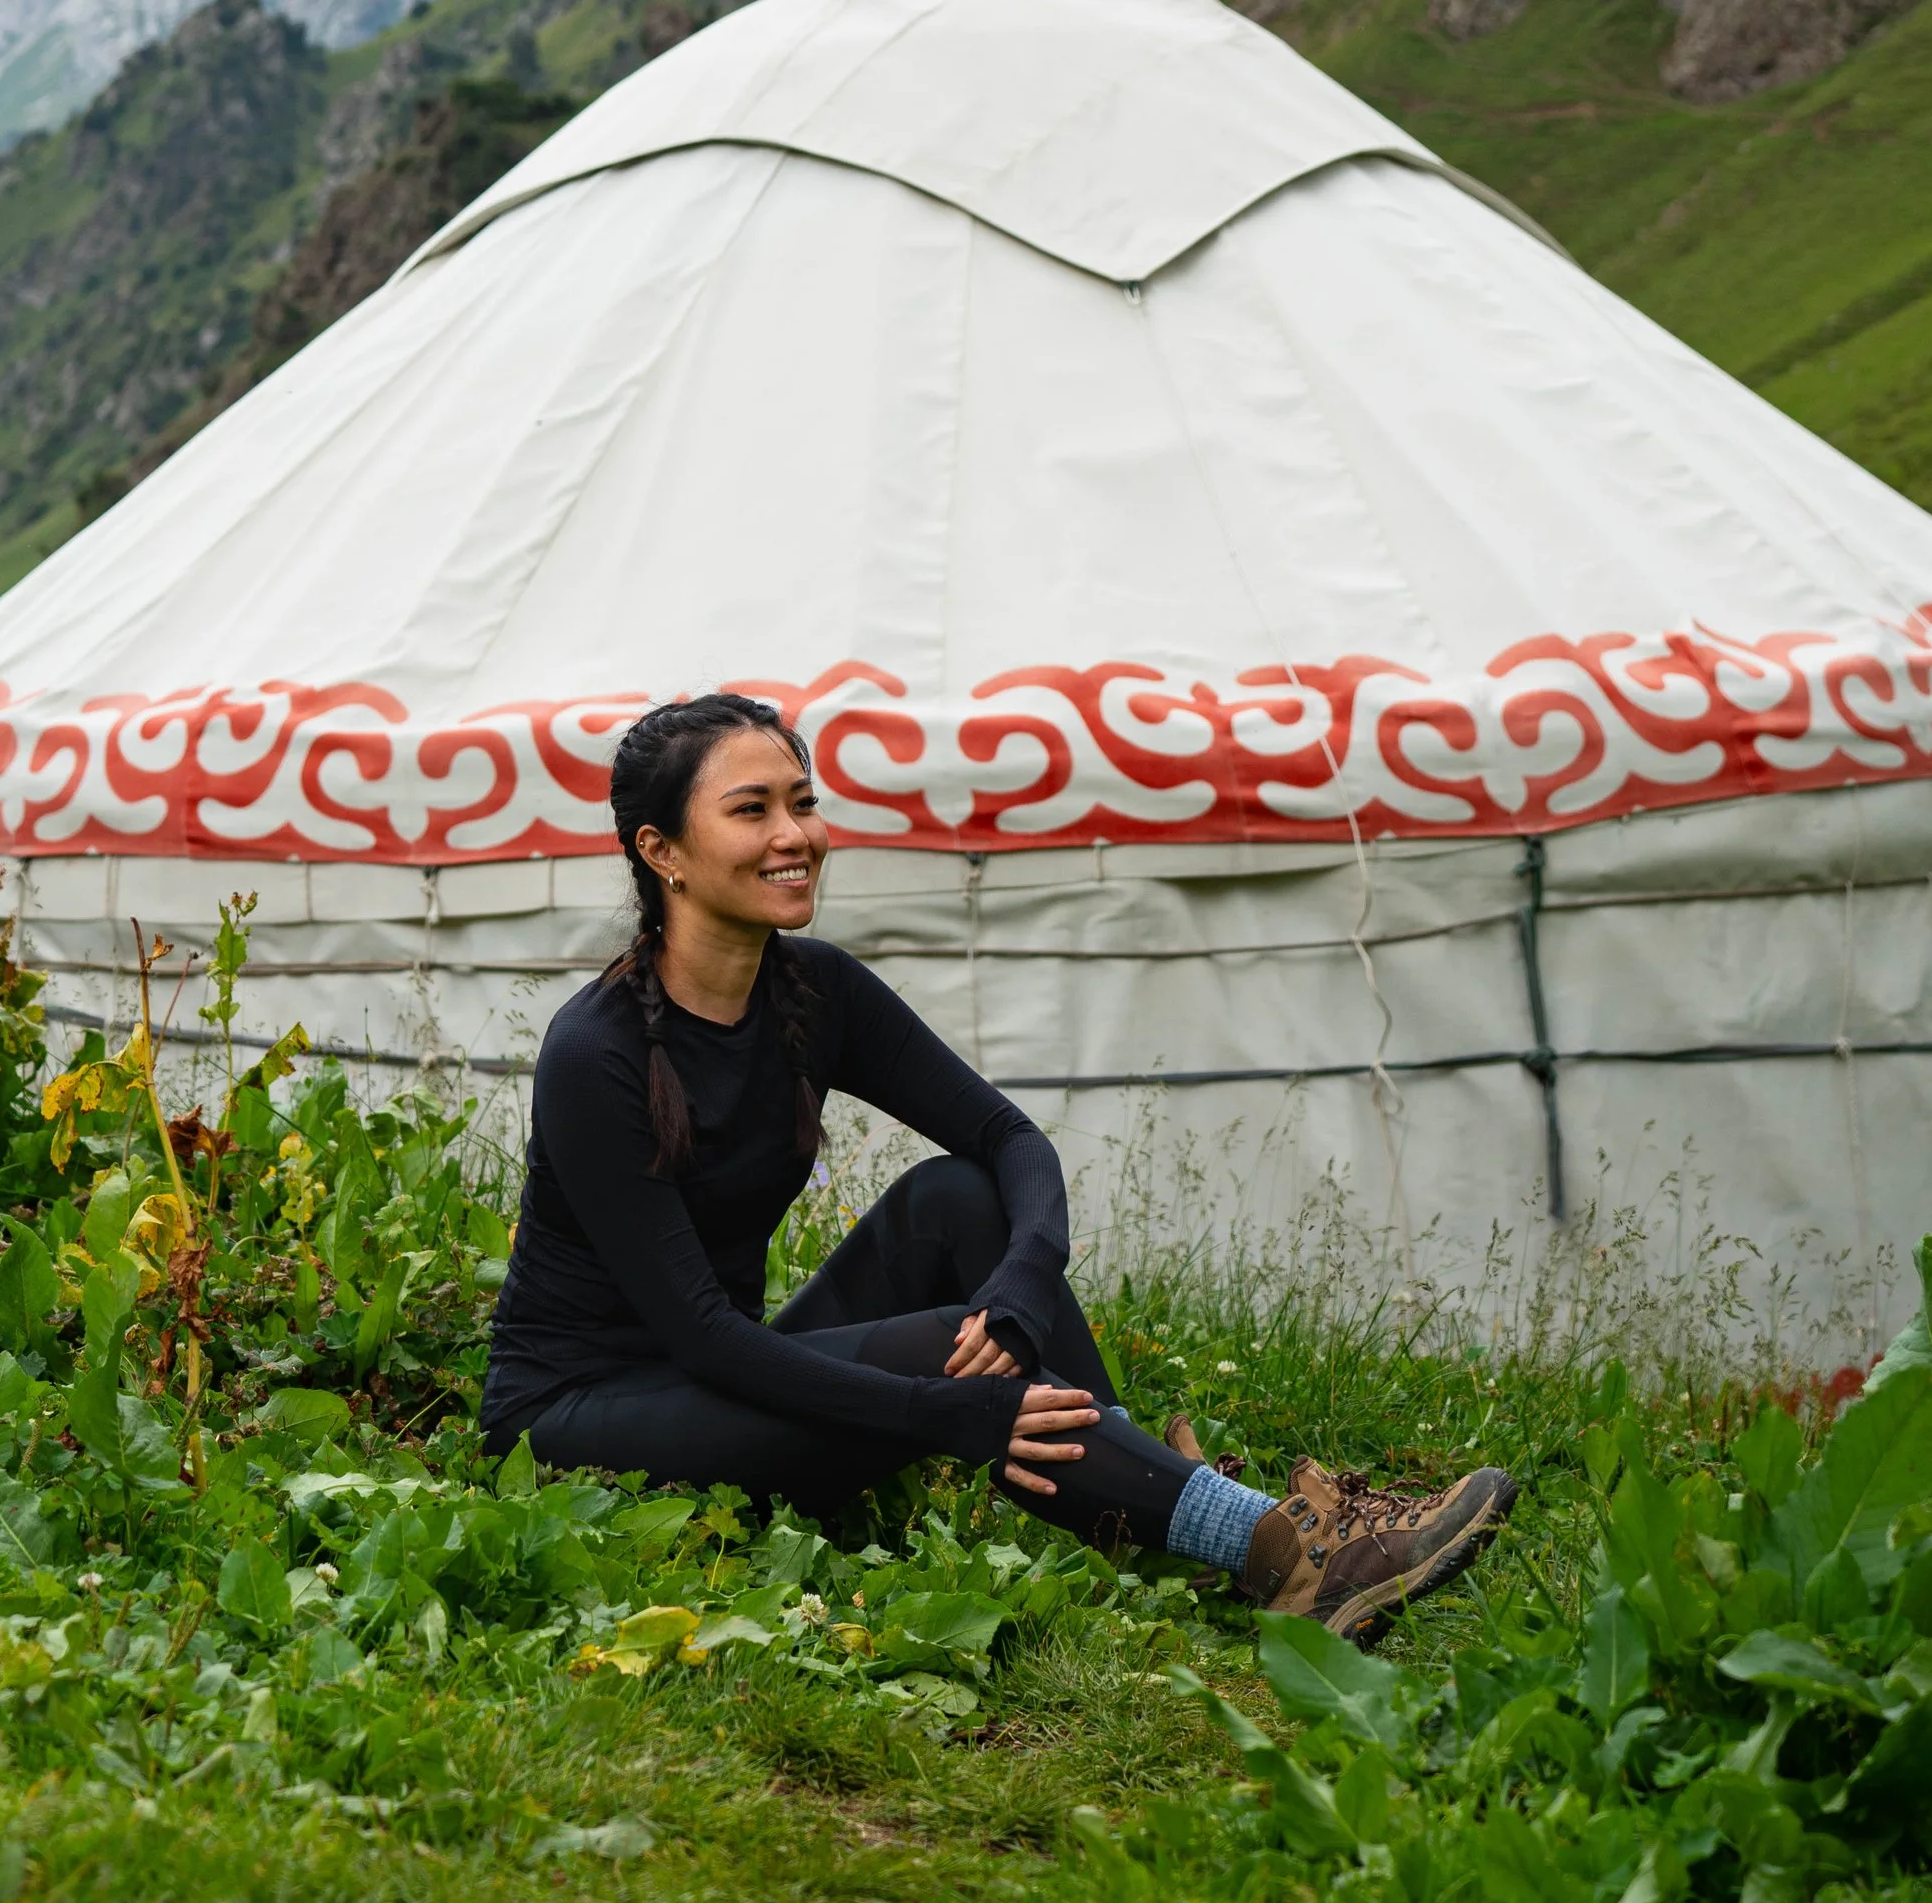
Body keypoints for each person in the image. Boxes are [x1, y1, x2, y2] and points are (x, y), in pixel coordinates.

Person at [482, 691, 1516, 1637]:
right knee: (945, 1353)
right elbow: (702, 1338)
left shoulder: (813, 992)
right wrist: (944, 1414)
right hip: (580, 1431)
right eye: (752, 811)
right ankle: (1286, 1561)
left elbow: (1007, 1141)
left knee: (958, 1201)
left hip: (725, 1386)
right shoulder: (598, 1053)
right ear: (662, 851)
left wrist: (1021, 1284)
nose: (795, 836)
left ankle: (1165, 1510)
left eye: (802, 802)